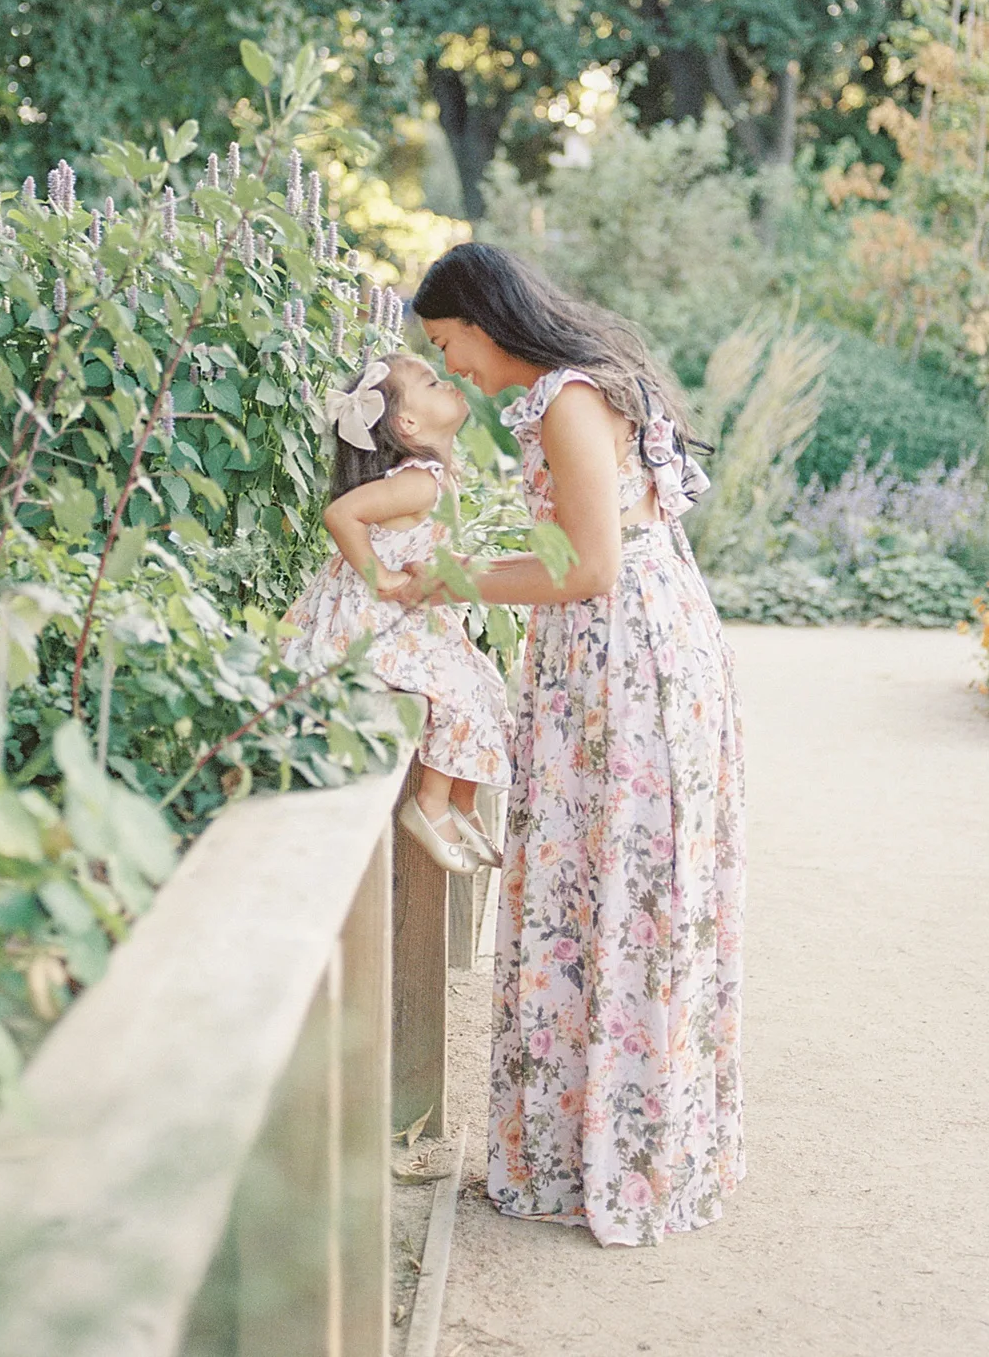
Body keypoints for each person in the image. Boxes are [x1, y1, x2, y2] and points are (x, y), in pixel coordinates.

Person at [400, 242, 745, 1248]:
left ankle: (612, 1157)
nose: (449, 363)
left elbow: (589, 565)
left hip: (623, 661)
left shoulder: (566, 398)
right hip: (626, 652)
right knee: (612, 891)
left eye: (446, 340)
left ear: (482, 316)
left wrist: (451, 577)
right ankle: (609, 1147)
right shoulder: (567, 391)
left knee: (616, 890)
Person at [282, 352, 511, 874]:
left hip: (402, 616)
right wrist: (378, 577)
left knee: (484, 681)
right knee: (457, 689)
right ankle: (430, 804)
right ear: (408, 423)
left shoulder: (434, 477)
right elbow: (342, 514)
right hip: (368, 621)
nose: (448, 380)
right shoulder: (420, 481)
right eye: (432, 382)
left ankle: (462, 801)